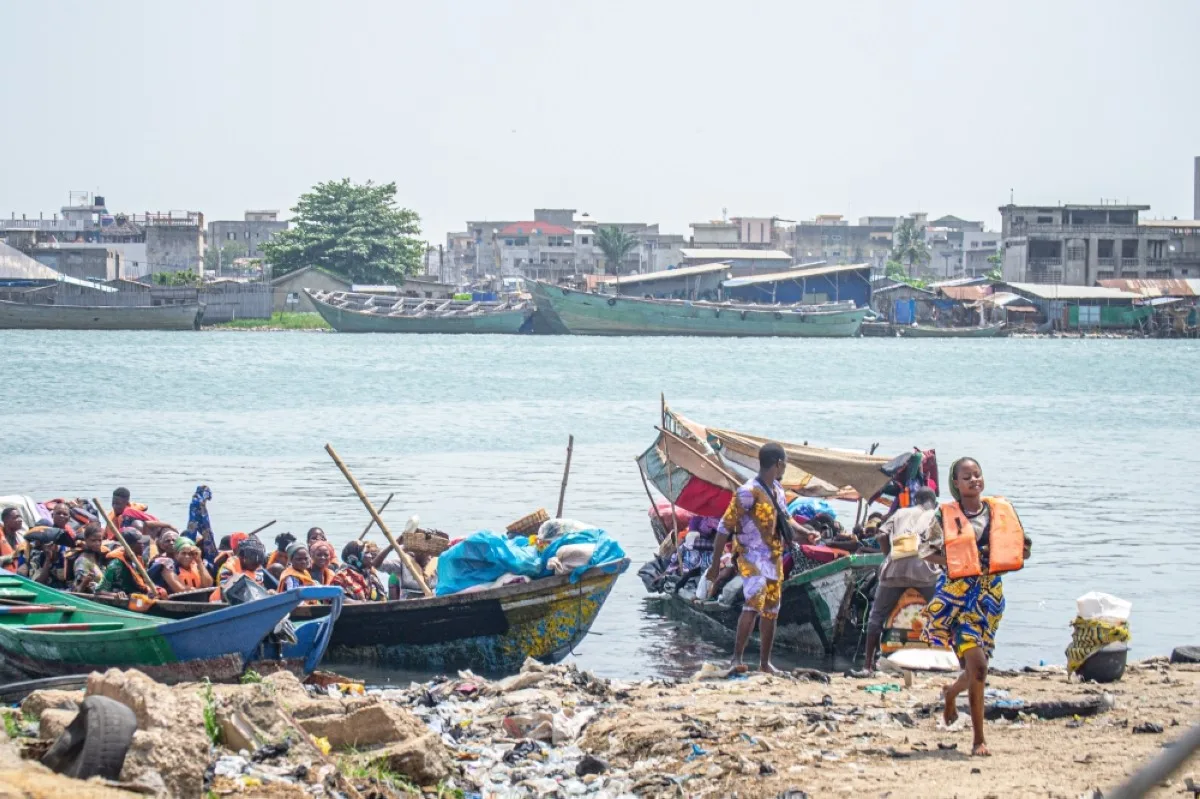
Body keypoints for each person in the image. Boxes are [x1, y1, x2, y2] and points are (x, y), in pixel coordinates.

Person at [918, 457, 1032, 757]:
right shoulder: (945, 516)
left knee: (974, 670)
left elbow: (1024, 547)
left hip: (990, 599)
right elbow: (925, 552)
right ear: (956, 483)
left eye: (977, 475)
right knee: (979, 666)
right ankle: (978, 739)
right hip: (956, 600)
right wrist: (959, 562)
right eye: (966, 477)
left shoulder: (998, 512)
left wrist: (1008, 555)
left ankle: (951, 694)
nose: (974, 480)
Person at [703, 443, 819, 673]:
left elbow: (786, 518)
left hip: (774, 556)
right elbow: (724, 528)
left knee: (772, 609)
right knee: (754, 602)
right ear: (778, 463)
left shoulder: (777, 490)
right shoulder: (747, 492)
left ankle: (765, 664)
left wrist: (807, 532)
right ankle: (736, 659)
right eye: (784, 462)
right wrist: (715, 565)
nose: (785, 466)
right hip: (750, 555)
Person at [863, 486, 941, 671]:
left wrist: (888, 555)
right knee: (939, 615)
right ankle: (943, 659)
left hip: (894, 569)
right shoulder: (937, 515)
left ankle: (868, 665)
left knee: (877, 617)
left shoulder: (900, 512)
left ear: (915, 501)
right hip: (925, 572)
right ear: (934, 503)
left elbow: (881, 535)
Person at [99, 530, 164, 598]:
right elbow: (99, 590)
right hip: (126, 598)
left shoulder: (138, 559)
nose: (143, 545)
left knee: (162, 592)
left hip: (139, 595)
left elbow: (143, 583)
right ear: (130, 546)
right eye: (140, 543)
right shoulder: (115, 565)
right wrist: (115, 595)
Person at [210, 536, 270, 601]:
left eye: (259, 557)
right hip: (221, 603)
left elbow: (259, 589)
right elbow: (225, 593)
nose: (256, 560)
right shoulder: (228, 568)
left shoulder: (257, 568)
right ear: (241, 556)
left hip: (252, 601)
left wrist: (267, 593)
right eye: (252, 556)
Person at [109, 488, 176, 537]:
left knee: (137, 524)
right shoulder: (113, 515)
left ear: (127, 503)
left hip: (153, 533)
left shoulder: (128, 513)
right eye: (113, 503)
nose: (114, 506)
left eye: (118, 504)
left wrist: (169, 525)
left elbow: (151, 521)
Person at [70, 522, 109, 595]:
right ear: (86, 540)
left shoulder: (99, 557)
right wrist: (85, 582)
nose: (97, 543)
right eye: (93, 540)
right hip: (88, 598)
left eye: (99, 540)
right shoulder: (82, 561)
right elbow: (77, 591)